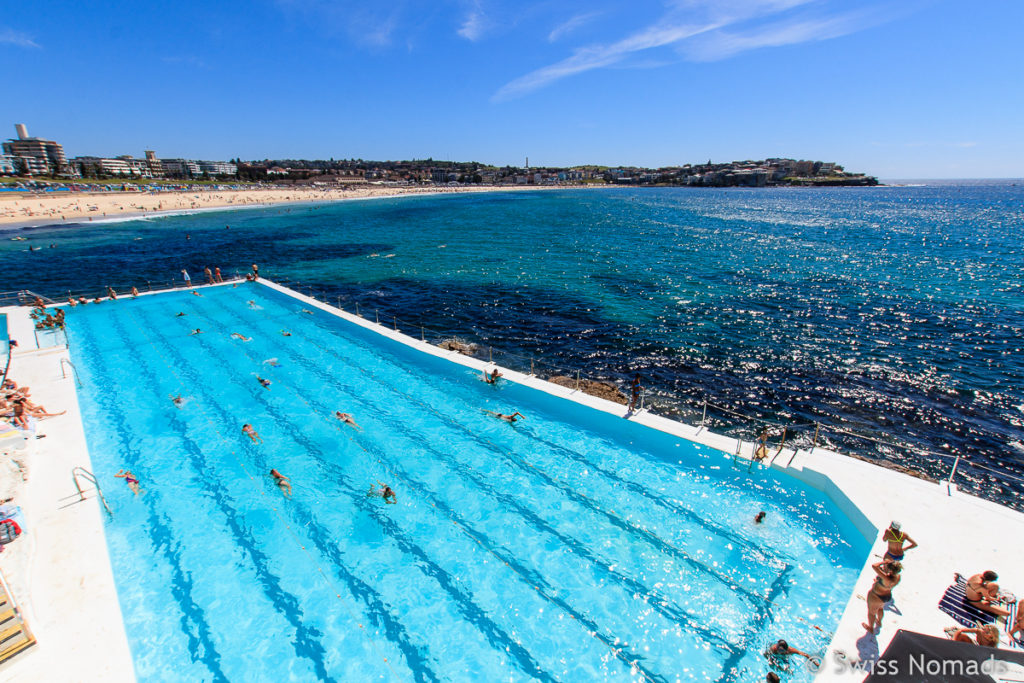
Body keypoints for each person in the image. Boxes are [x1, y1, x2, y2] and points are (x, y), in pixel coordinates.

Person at [864, 560, 902, 632]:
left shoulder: (886, 578)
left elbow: (874, 565)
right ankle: (879, 622)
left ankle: (871, 628)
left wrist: (884, 562)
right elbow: (886, 584)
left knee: (871, 613)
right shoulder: (898, 577)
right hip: (886, 597)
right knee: (880, 608)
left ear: (890, 570)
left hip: (876, 597)